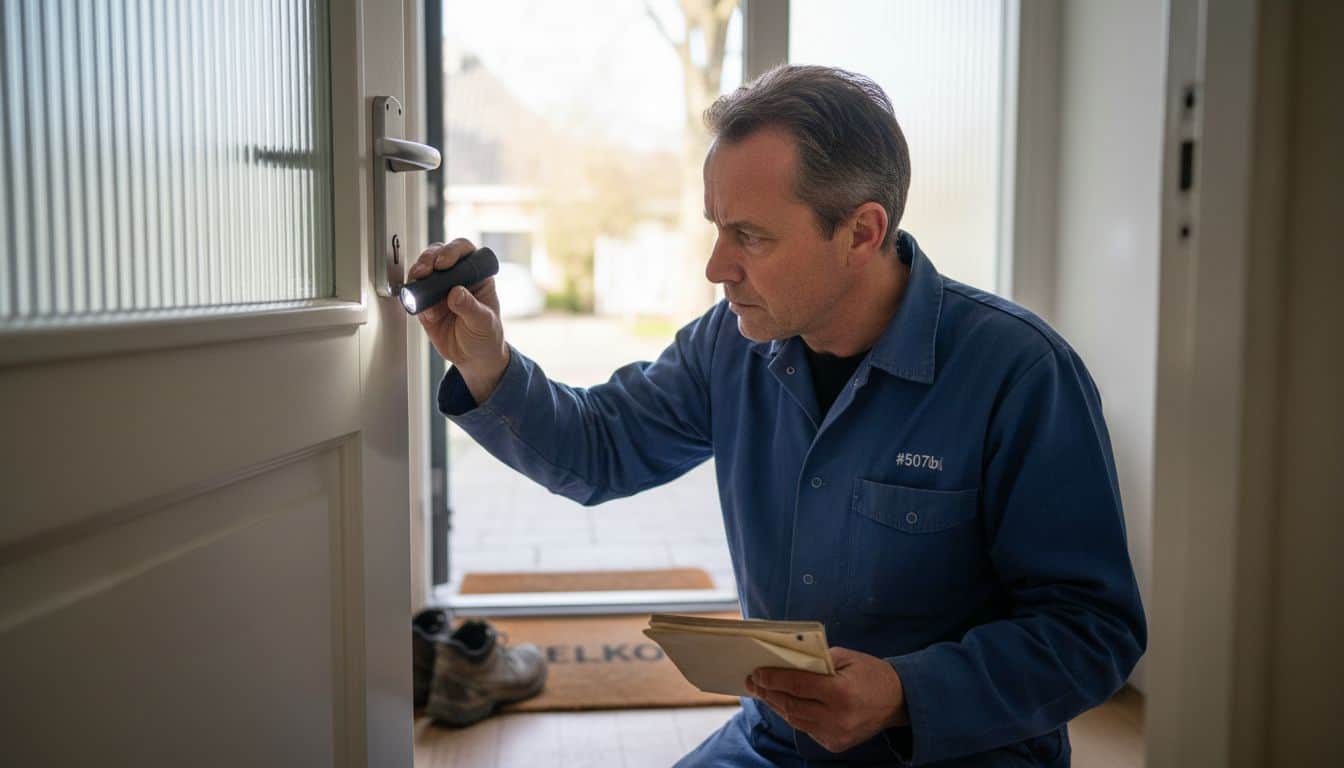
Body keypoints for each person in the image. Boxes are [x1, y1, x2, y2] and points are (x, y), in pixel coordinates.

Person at [410, 65, 1145, 767]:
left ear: (861, 232)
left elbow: (1093, 632)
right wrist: (486, 361)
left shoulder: (1019, 372)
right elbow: (600, 449)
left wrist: (903, 693)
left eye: (751, 237)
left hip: (961, 753)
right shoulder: (729, 344)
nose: (716, 267)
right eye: (717, 227)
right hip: (775, 744)